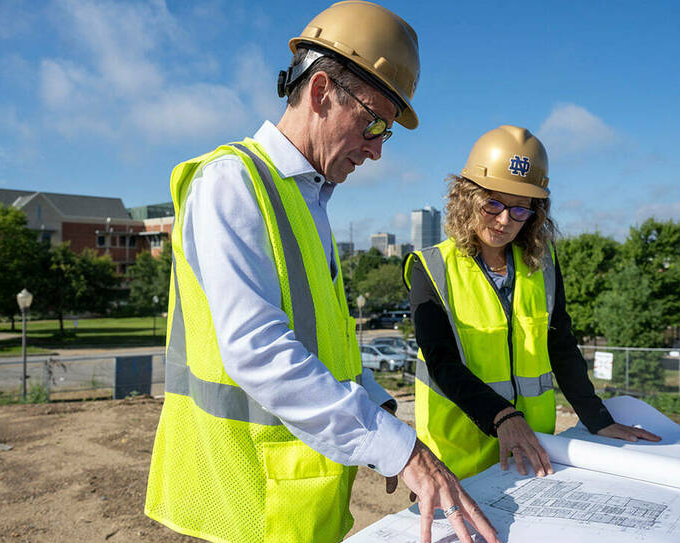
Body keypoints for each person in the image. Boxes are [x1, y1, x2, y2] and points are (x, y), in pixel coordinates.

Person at [144, 3, 499, 543]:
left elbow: (329, 348)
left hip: (296, 504)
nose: (378, 150)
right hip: (243, 507)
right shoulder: (231, 183)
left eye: (387, 133)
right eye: (374, 122)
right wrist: (398, 450)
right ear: (319, 92)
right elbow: (257, 350)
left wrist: (387, 420)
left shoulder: (307, 201)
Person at [404, 125, 660, 481]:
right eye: (492, 204)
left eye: (520, 210)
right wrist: (504, 417)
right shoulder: (430, 267)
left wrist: (597, 419)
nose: (504, 220)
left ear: (536, 214)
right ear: (467, 198)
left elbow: (561, 345)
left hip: (532, 454)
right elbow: (442, 362)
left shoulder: (543, 265)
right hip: (456, 459)